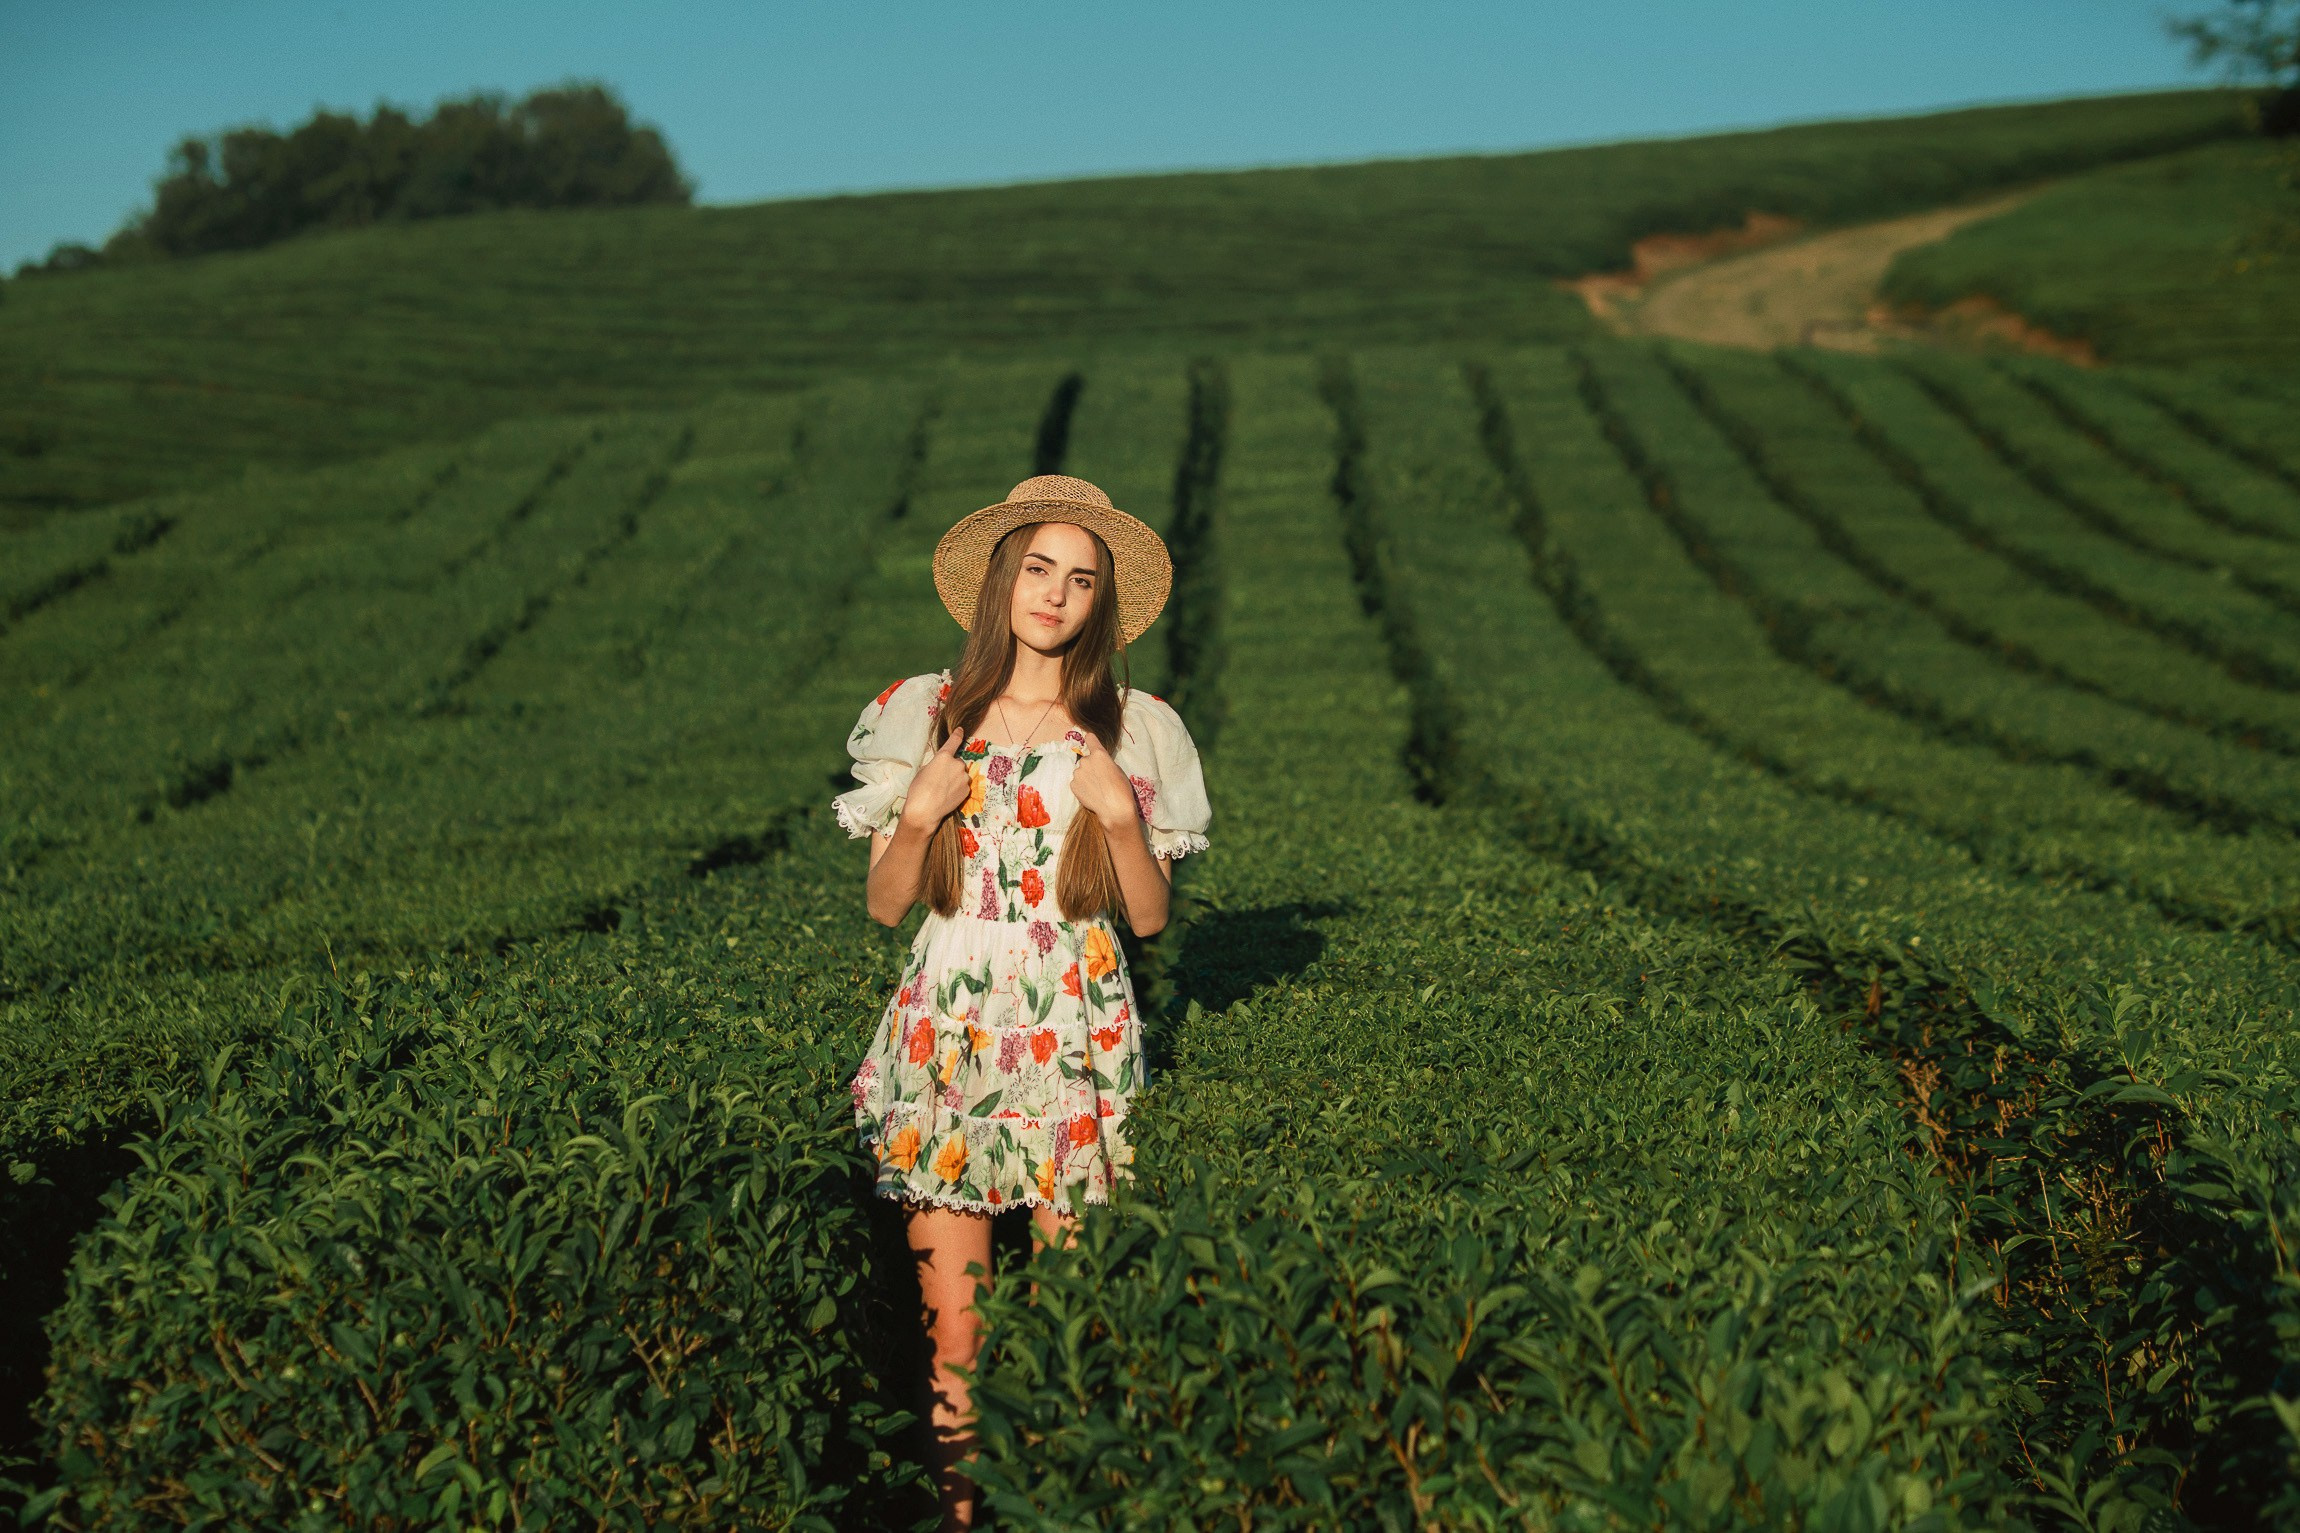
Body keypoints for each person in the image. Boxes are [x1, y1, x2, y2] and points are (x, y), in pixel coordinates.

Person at [832, 474, 1212, 1529]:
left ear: (1101, 606)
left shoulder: (1133, 729)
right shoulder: (927, 711)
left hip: (1078, 1026)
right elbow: (884, 905)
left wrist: (1119, 822)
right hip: (946, 1031)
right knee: (955, 1331)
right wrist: (914, 818)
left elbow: (1145, 922)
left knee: (1072, 1314)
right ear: (1000, 580)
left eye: (1080, 580)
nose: (1055, 594)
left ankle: (1053, 1510)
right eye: (1038, 569)